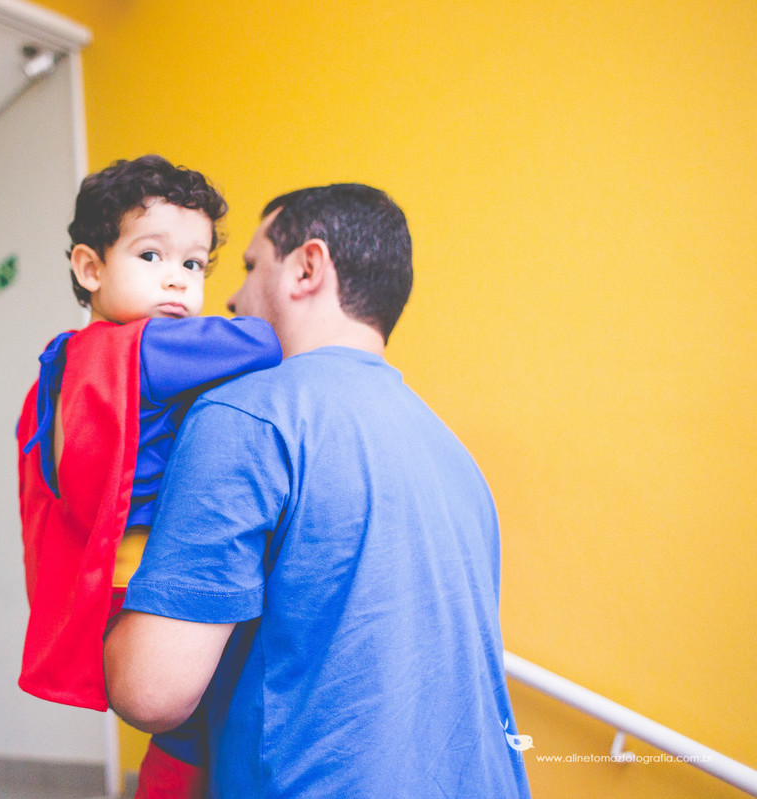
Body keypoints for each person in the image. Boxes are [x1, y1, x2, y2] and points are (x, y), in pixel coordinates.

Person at [104, 184, 532, 798]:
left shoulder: (244, 414)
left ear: (307, 268)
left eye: (252, 267)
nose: (230, 296)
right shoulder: (457, 458)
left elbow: (151, 692)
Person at [16, 155, 281, 796]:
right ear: (90, 267)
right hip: (146, 577)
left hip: (107, 584)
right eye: (151, 256)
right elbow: (265, 343)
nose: (176, 283)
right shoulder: (149, 350)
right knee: (218, 714)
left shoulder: (71, 360)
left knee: (185, 733)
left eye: (192, 265)